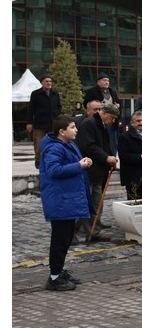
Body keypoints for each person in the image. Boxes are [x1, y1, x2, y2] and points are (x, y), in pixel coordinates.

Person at [39, 115, 94, 291]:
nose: (76, 130)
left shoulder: (69, 144)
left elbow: (73, 165)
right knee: (60, 240)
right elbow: (54, 170)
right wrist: (79, 165)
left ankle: (59, 271)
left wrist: (84, 162)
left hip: (67, 200)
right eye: (72, 127)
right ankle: (54, 277)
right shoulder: (54, 148)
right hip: (60, 201)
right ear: (62, 132)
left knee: (65, 239)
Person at [74, 103, 120, 242]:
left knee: (96, 203)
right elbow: (88, 146)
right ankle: (71, 232)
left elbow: (107, 144)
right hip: (89, 170)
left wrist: (111, 157)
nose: (113, 121)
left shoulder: (103, 125)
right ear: (104, 113)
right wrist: (106, 157)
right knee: (83, 203)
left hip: (99, 171)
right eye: (112, 117)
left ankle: (92, 231)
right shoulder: (90, 124)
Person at [26, 74, 62, 169]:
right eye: (46, 81)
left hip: (53, 124)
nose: (48, 83)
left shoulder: (55, 93)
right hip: (39, 124)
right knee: (38, 144)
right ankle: (38, 160)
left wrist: (57, 115)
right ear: (41, 83)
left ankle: (51, 160)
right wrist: (29, 122)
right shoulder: (35, 94)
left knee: (53, 144)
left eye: (50, 81)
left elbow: (59, 107)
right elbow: (31, 109)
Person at [117, 111, 142, 200]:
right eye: (138, 121)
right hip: (133, 177)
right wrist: (140, 157)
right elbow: (123, 156)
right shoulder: (125, 137)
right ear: (132, 123)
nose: (141, 123)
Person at [83, 72, 121, 155]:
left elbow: (118, 103)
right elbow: (86, 104)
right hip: (99, 121)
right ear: (98, 82)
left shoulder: (112, 92)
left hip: (112, 122)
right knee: (101, 141)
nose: (107, 82)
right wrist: (99, 105)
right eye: (104, 80)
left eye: (108, 80)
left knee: (113, 142)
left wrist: (117, 105)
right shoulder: (91, 92)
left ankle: (112, 158)